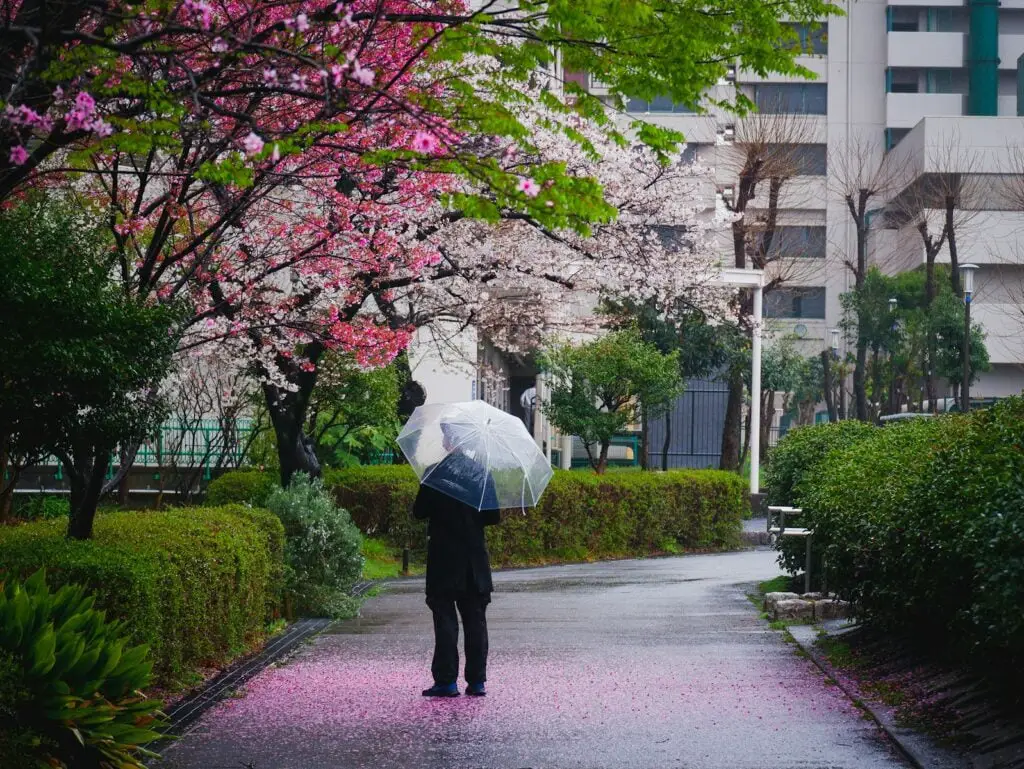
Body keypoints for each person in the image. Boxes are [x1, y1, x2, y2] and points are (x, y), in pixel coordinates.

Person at [413, 423, 501, 697]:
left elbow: (419, 512)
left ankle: (446, 681)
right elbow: (493, 517)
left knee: (445, 620)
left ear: (450, 442)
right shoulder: (481, 474)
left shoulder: (434, 473)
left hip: (443, 558)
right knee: (475, 620)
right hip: (474, 561)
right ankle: (477, 682)